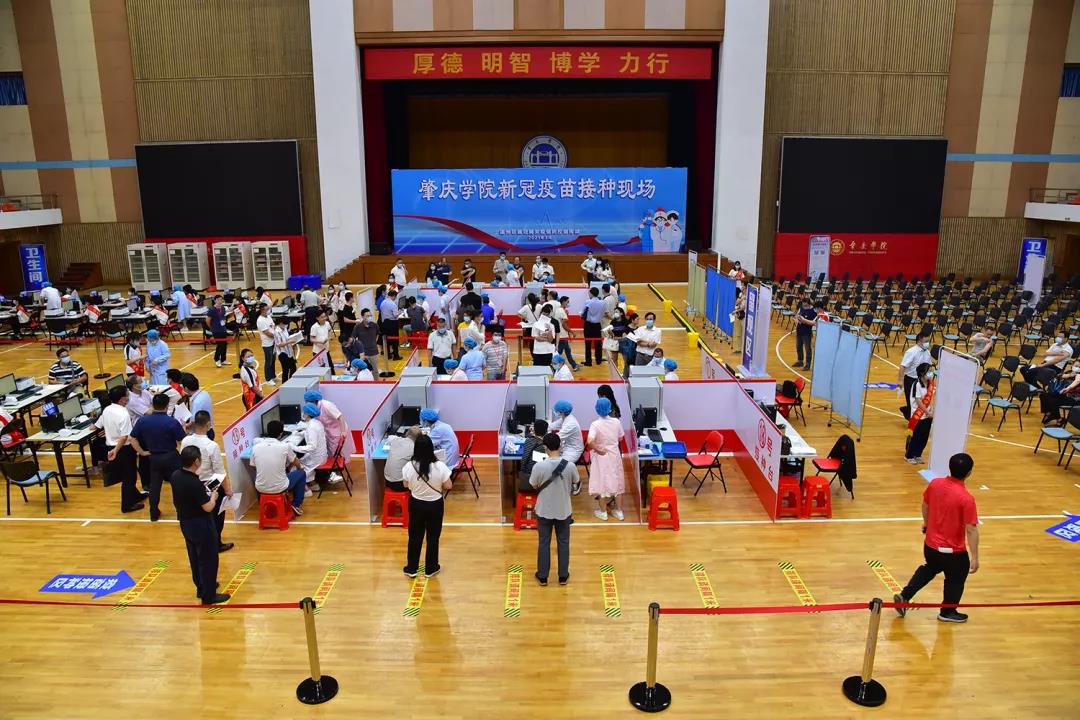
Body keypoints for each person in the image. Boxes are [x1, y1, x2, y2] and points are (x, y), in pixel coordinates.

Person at [894, 453, 980, 624]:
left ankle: (905, 595)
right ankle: (947, 611)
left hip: (931, 546)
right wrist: (975, 556)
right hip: (953, 552)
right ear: (969, 473)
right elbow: (971, 529)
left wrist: (927, 524)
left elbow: (925, 505)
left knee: (930, 568)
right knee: (956, 578)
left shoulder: (935, 484)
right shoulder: (966, 499)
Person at [170, 446, 229, 605]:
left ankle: (202, 587)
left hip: (185, 522)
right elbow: (208, 507)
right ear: (196, 461)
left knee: (194, 557)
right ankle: (209, 595)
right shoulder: (193, 482)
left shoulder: (176, 476)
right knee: (208, 559)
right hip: (200, 524)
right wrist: (214, 496)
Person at [180, 410, 232, 552]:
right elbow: (219, 471)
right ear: (208, 424)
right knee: (216, 516)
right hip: (210, 483)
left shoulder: (186, 441)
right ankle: (216, 543)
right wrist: (227, 489)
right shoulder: (211, 445)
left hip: (190, 481)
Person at [129, 393, 186, 522]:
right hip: (171, 457)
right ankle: (180, 513)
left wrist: (142, 452)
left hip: (154, 458)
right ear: (166, 406)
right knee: (177, 486)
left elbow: (132, 438)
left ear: (153, 405)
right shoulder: (172, 422)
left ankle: (153, 513)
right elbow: (182, 439)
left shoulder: (143, 421)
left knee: (154, 486)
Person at [402, 434, 452, 579]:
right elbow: (448, 485)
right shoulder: (440, 466)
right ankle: (431, 568)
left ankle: (411, 568)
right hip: (435, 505)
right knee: (433, 537)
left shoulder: (409, 466)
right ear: (431, 448)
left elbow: (405, 485)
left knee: (414, 537)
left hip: (416, 504)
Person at [530, 432, 577, 586]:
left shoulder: (539, 466)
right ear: (560, 446)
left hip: (544, 510)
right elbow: (576, 482)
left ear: (545, 448)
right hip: (564, 510)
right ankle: (563, 576)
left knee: (544, 542)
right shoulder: (570, 466)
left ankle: (543, 576)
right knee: (563, 542)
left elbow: (533, 484)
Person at [97, 385, 145, 514]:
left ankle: (135, 495)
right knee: (129, 477)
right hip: (123, 449)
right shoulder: (124, 413)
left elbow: (99, 425)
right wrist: (116, 450)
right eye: (127, 395)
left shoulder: (107, 409)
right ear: (122, 399)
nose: (129, 397)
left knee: (127, 474)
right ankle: (127, 505)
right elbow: (124, 437)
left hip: (112, 446)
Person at [251, 420, 308, 516]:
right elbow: (296, 462)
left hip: (260, 487)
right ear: (281, 433)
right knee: (301, 474)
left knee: (256, 476)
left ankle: (266, 505)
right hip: (280, 486)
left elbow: (253, 466)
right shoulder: (284, 446)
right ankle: (296, 504)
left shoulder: (256, 447)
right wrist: (300, 468)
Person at [587, 397, 625, 520]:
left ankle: (603, 512)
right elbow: (620, 437)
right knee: (617, 482)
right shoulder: (616, 422)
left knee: (601, 483)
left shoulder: (595, 425)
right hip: (614, 455)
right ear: (610, 409)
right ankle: (619, 511)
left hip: (601, 457)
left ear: (596, 409)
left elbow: (590, 441)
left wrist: (598, 449)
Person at [303, 389, 351, 461]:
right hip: (330, 430)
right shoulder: (316, 408)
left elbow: (340, 417)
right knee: (333, 452)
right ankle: (337, 465)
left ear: (313, 401)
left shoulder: (327, 405)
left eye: (307, 402)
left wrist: (343, 432)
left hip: (338, 430)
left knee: (337, 453)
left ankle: (338, 466)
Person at [550, 399, 583, 493]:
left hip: (573, 450)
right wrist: (541, 427)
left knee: (559, 466)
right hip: (567, 447)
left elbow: (557, 437)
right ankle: (561, 482)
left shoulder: (571, 423)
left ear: (562, 412)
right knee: (552, 461)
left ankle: (576, 482)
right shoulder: (565, 418)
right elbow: (553, 425)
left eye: (557, 411)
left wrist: (542, 437)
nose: (556, 412)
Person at [898, 330, 933, 419]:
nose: (928, 343)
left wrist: (930, 379)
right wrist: (900, 381)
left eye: (929, 341)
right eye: (926, 341)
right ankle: (910, 417)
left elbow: (929, 367)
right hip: (911, 381)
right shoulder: (911, 352)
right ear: (919, 341)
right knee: (912, 404)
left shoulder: (927, 352)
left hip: (922, 381)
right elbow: (902, 366)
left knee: (922, 402)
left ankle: (907, 411)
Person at [905, 363, 935, 464]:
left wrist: (931, 410)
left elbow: (931, 398)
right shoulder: (917, 384)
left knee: (924, 437)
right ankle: (909, 456)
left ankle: (918, 454)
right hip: (918, 416)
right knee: (916, 437)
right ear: (922, 373)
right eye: (929, 371)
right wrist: (927, 412)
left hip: (928, 415)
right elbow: (918, 401)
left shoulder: (930, 383)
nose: (931, 373)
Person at [295, 403, 329, 488]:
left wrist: (295, 447)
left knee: (297, 463)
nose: (303, 414)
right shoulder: (317, 423)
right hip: (321, 455)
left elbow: (312, 446)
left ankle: (310, 486)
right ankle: (312, 483)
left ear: (307, 414)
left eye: (304, 412)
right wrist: (301, 433)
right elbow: (313, 435)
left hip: (316, 458)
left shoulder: (312, 427)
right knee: (301, 460)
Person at [384, 426, 420, 492]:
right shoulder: (415, 448)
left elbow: (389, 438)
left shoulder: (396, 440)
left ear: (407, 433)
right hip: (401, 484)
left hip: (387, 481)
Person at [517, 418, 549, 491]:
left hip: (525, 473)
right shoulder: (544, 446)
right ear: (546, 431)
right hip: (537, 476)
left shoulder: (528, 440)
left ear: (534, 430)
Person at [350, 307, 382, 379]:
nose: (369, 317)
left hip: (374, 352)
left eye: (370, 315)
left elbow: (378, 333)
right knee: (363, 371)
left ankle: (376, 383)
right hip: (364, 353)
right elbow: (353, 339)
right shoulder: (358, 327)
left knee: (375, 370)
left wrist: (374, 342)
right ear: (362, 316)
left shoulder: (375, 325)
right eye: (367, 316)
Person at [553, 296, 580, 370]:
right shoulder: (562, 311)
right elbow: (564, 325)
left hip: (562, 335)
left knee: (568, 351)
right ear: (563, 302)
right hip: (562, 336)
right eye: (568, 302)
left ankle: (574, 365)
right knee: (559, 353)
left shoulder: (558, 310)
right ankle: (554, 367)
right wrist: (572, 332)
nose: (568, 303)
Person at [183, 373, 213, 439]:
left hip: (202, 434)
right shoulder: (205, 393)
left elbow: (194, 421)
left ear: (186, 388)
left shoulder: (197, 402)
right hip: (209, 429)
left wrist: (185, 426)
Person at [582, 286, 605, 366]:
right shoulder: (602, 302)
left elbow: (582, 313)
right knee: (598, 343)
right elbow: (603, 312)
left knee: (588, 343)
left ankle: (588, 361)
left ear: (591, 293)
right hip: (598, 325)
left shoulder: (588, 302)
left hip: (588, 325)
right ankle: (598, 360)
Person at [256, 302, 277, 387]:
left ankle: (273, 376)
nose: (269, 310)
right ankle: (268, 379)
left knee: (273, 360)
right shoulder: (260, 320)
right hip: (267, 343)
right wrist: (277, 336)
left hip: (273, 342)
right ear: (262, 310)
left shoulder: (268, 317)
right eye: (267, 309)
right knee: (269, 361)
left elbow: (273, 327)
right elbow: (267, 332)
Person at [205, 295, 229, 367]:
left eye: (221, 299)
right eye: (218, 299)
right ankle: (216, 359)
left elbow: (223, 317)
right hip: (216, 330)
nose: (220, 301)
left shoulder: (223, 308)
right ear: (215, 300)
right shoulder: (212, 309)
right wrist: (212, 327)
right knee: (220, 345)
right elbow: (207, 320)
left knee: (224, 345)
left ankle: (223, 360)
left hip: (223, 329)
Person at [794, 296, 817, 369]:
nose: (804, 307)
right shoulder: (801, 307)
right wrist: (797, 321)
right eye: (803, 305)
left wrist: (804, 321)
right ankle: (800, 361)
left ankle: (807, 364)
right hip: (799, 330)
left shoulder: (813, 312)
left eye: (806, 305)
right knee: (798, 347)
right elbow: (796, 316)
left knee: (807, 349)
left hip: (806, 333)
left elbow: (814, 323)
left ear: (809, 304)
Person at [274, 315, 298, 383]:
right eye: (285, 324)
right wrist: (289, 342)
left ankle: (291, 382)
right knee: (285, 370)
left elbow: (287, 338)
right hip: (282, 353)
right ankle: (284, 384)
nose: (286, 325)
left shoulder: (284, 328)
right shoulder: (276, 331)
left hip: (289, 351)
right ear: (281, 323)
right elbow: (278, 344)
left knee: (293, 368)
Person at [379, 290, 402, 361]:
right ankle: (396, 356)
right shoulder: (393, 304)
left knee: (387, 340)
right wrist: (399, 312)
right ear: (394, 296)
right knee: (395, 340)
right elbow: (395, 315)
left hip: (384, 323)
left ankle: (388, 355)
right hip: (392, 323)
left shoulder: (383, 302)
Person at [518, 293, 541, 363]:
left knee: (531, 343)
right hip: (538, 326)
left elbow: (518, 314)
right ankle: (538, 356)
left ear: (528, 300)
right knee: (538, 342)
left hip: (529, 327)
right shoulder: (540, 306)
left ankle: (534, 357)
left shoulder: (526, 306)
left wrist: (525, 318)